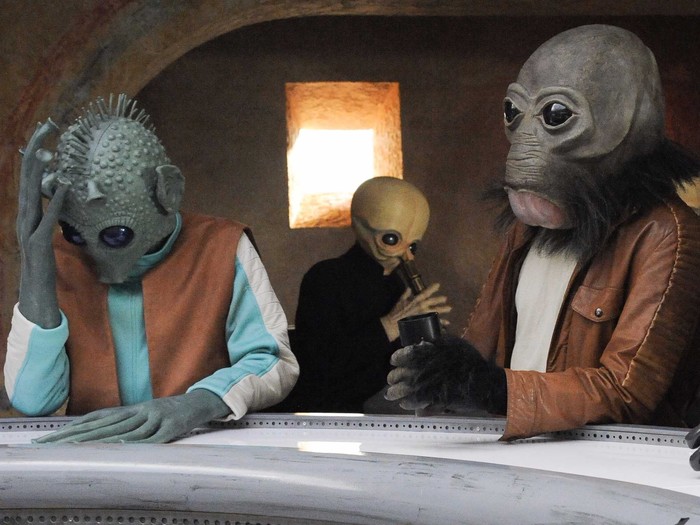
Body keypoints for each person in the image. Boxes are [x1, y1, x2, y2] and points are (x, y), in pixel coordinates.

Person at [386, 25, 700, 441]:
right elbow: (482, 343)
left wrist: (494, 389)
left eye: (555, 115)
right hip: (522, 448)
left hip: (609, 460)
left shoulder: (665, 233)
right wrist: (442, 373)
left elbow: (627, 392)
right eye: (514, 112)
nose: (525, 142)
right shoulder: (529, 227)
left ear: (622, 122)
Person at [4, 94, 299, 443]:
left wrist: (198, 403)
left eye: (116, 235)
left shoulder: (222, 246)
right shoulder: (60, 256)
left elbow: (272, 361)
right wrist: (35, 271)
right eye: (77, 234)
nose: (97, 257)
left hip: (200, 447)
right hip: (96, 456)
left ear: (167, 191)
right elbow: (33, 401)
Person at [286, 177, 451, 413]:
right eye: (392, 239)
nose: (407, 256)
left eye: (412, 246)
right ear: (361, 226)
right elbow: (320, 366)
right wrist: (390, 325)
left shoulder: (396, 286)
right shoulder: (325, 277)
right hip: (334, 416)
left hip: (386, 412)